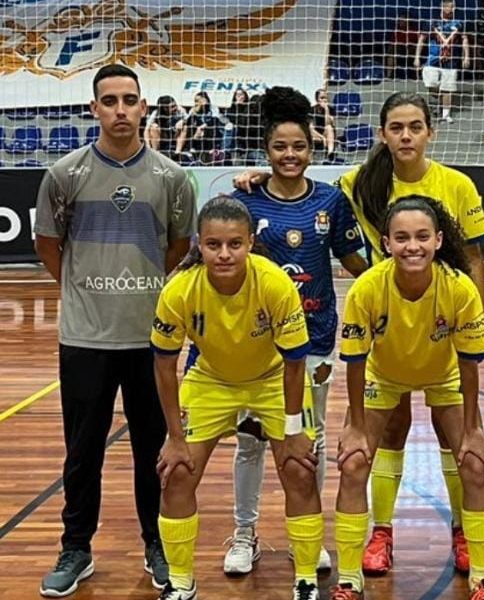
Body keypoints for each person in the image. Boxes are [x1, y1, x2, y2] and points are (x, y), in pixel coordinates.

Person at [234, 91, 484, 578]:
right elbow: (301, 190)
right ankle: (381, 532)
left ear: (430, 131)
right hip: (384, 333)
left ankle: (461, 529)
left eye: (415, 126)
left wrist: (470, 329)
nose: (407, 136)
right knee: (387, 431)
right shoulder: (355, 186)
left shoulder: (456, 184)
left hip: (442, 329)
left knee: (455, 436)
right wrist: (254, 179)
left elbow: (473, 258)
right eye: (397, 127)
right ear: (383, 134)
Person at [33, 64, 196, 598]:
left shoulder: (172, 178)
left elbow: (176, 247)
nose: (121, 110)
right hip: (84, 339)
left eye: (130, 100)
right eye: (110, 101)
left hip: (152, 340)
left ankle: (158, 544)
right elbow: (48, 246)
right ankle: (75, 547)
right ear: (94, 109)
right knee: (82, 452)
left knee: (156, 450)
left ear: (144, 106)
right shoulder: (64, 174)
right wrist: (84, 289)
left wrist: (137, 291)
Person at [221, 86, 367, 577]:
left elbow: (354, 264)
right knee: (251, 441)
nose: (290, 155)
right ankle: (245, 534)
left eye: (299, 147)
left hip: (317, 339)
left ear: (312, 148)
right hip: (257, 345)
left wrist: (390, 282)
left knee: (312, 440)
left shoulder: (331, 201)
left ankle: (309, 535)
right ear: (266, 151)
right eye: (280, 147)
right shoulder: (243, 200)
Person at [152, 196, 323, 600]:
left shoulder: (275, 283)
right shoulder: (179, 290)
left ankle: (306, 580)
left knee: (299, 469)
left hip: (274, 378)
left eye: (234, 244)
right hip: (211, 380)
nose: (224, 254)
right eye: (214, 245)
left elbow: (296, 361)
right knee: (176, 473)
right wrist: (175, 437)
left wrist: (295, 430)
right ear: (199, 243)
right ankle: (179, 582)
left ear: (249, 242)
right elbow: (163, 365)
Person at [331, 196, 484, 600]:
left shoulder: (459, 288)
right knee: (353, 463)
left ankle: (481, 576)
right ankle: (351, 577)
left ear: (438, 240)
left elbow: (470, 364)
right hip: (383, 376)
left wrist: (474, 429)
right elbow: (354, 360)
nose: (413, 246)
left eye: (422, 237)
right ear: (386, 243)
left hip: (444, 374)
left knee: (474, 463)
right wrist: (353, 426)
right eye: (401, 238)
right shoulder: (368, 288)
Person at [415, 0, 470, 124]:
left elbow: (465, 40)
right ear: (443, 7)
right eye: (449, 6)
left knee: (447, 88)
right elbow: (422, 39)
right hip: (433, 60)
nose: (451, 9)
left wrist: (466, 57)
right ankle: (441, 102)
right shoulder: (432, 22)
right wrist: (417, 57)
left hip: (451, 61)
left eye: (453, 7)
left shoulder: (459, 23)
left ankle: (446, 115)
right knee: (431, 85)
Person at [177, 91, 225, 164]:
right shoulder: (194, 109)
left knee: (205, 130)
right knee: (187, 127)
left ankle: (198, 149)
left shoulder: (213, 108)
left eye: (198, 101)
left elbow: (215, 120)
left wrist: (203, 126)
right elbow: (187, 120)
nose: (196, 103)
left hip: (211, 129)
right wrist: (184, 120)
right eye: (195, 101)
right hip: (197, 130)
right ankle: (185, 151)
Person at [309, 89, 337, 164]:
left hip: (325, 132)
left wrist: (326, 110)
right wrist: (322, 138)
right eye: (322, 98)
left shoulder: (330, 109)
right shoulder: (312, 110)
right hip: (315, 134)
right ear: (317, 100)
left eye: (325, 98)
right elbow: (311, 128)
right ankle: (310, 160)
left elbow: (329, 123)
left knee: (329, 128)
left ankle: (330, 153)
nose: (324, 100)